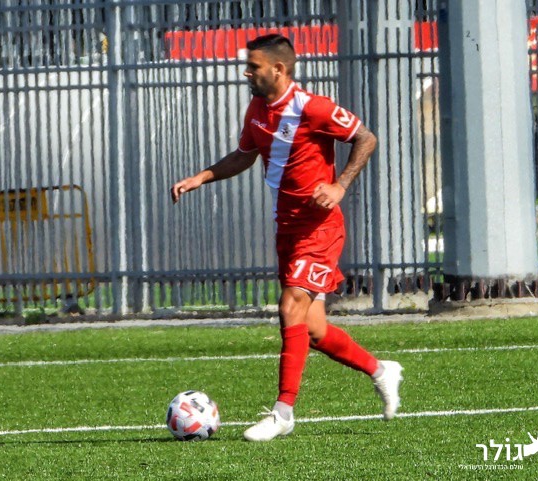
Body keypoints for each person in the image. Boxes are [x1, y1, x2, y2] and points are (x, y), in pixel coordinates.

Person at [171, 34, 403, 442]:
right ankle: (381, 370)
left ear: (278, 69)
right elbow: (244, 155)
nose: (247, 72)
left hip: (320, 229)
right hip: (288, 228)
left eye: (254, 66)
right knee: (313, 330)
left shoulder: (313, 108)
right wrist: (201, 177)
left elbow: (366, 138)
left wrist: (339, 185)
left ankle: (283, 413)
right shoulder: (258, 109)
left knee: (290, 305)